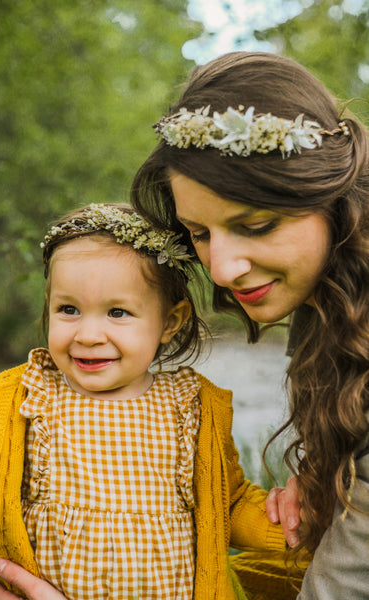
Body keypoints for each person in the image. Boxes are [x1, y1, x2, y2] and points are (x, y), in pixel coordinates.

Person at [129, 51, 369, 599]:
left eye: (256, 225)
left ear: (329, 195)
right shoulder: (330, 298)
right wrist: (327, 480)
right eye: (200, 232)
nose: (221, 269)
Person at [0, 202, 292, 600]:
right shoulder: (23, 399)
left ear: (169, 322)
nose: (89, 334)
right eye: (68, 309)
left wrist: (292, 527)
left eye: (118, 312)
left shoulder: (192, 408)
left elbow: (227, 506)